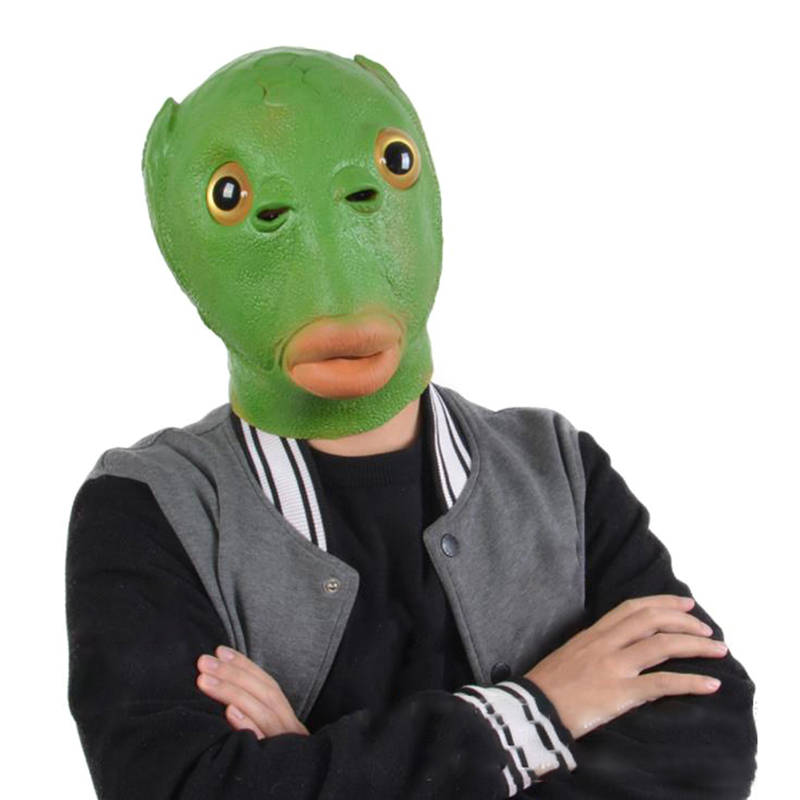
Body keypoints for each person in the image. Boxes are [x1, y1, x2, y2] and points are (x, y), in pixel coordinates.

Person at [66, 47, 758, 799]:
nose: (331, 260)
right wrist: (538, 712)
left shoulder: (559, 470)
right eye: (233, 196)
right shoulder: (147, 509)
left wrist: (312, 766)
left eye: (391, 165)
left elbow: (709, 747)